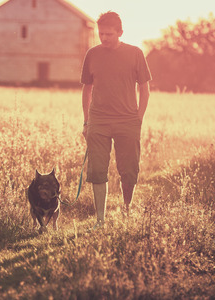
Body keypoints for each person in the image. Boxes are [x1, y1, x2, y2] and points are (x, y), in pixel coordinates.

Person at [81, 11, 152, 230]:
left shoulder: (135, 53)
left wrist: (138, 119)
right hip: (99, 121)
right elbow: (87, 89)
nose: (104, 38)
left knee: (129, 169)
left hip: (128, 121)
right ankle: (100, 220)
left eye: (109, 34)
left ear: (120, 33)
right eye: (101, 34)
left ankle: (126, 208)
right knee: (97, 170)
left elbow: (144, 89)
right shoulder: (92, 54)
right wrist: (86, 122)